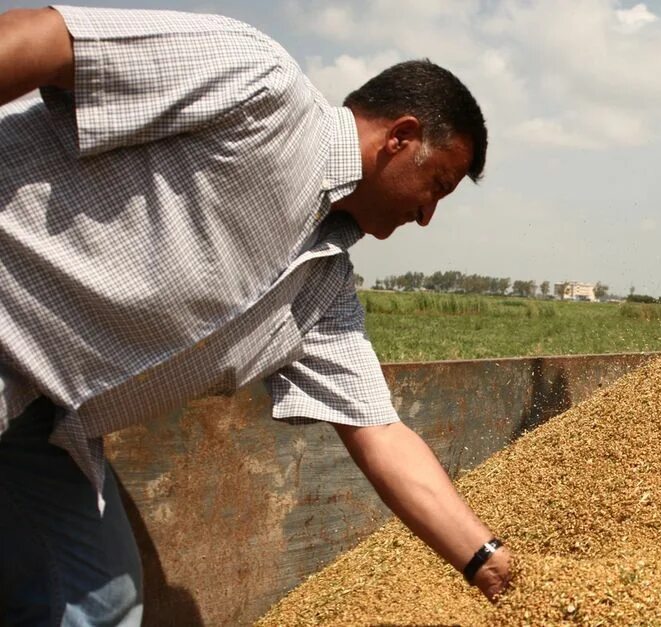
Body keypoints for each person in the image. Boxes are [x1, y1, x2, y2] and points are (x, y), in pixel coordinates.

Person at [0, 6, 511, 624]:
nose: (427, 216)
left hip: (48, 424)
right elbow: (48, 42)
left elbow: (380, 432)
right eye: (437, 184)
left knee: (101, 604)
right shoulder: (259, 87)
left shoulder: (321, 291)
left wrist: (483, 558)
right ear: (400, 138)